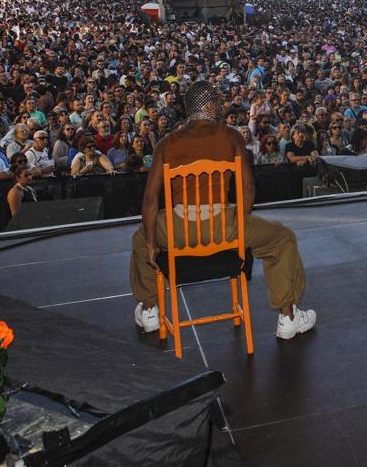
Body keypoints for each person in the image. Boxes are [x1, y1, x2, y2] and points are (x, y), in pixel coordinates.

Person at [128, 82, 315, 339]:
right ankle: (288, 318)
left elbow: (150, 199)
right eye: (216, 101)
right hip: (224, 225)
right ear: (207, 106)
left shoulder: (166, 144)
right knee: (283, 238)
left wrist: (151, 242)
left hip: (177, 230)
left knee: (140, 238)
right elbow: (248, 188)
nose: (220, 105)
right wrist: (240, 223)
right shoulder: (231, 136)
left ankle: (149, 311)